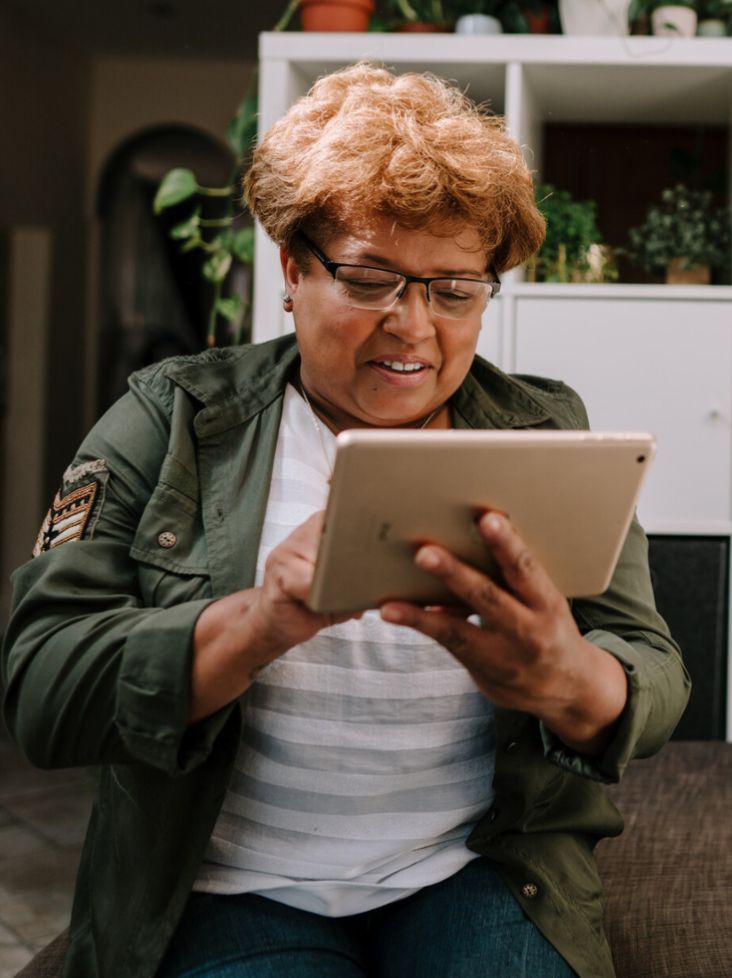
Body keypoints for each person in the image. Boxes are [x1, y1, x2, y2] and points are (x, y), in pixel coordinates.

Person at [2, 62, 689, 978]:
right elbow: (43, 691)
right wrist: (254, 623)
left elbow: (653, 669)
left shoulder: (544, 430)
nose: (414, 326)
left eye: (455, 289)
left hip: (474, 867)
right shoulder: (169, 419)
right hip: (227, 884)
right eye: (371, 279)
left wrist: (571, 679)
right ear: (292, 266)